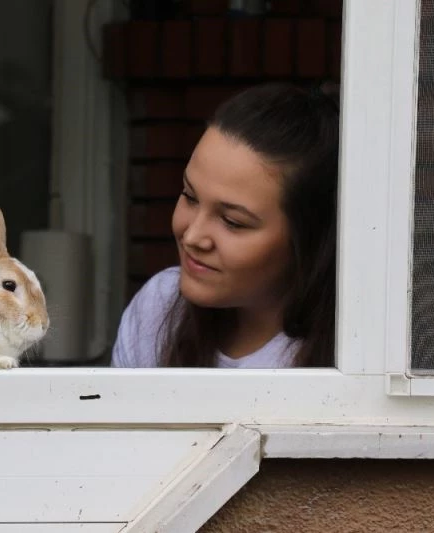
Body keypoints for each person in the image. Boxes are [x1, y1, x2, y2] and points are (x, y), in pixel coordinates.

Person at [112, 82, 339, 368]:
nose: (193, 236)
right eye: (189, 196)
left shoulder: (347, 359)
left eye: (233, 222)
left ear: (310, 239)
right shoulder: (158, 309)